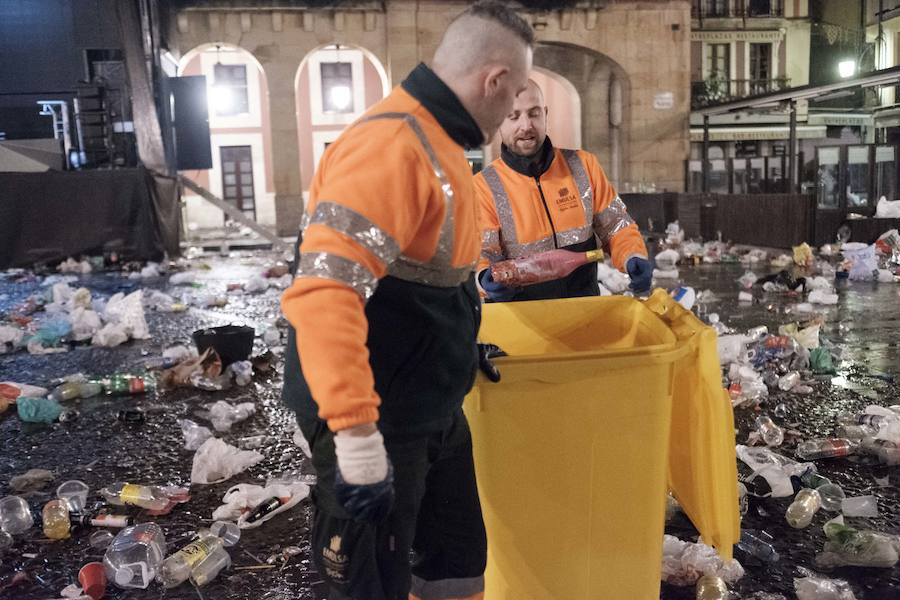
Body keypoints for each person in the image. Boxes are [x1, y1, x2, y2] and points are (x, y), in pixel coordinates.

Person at [280, 2, 534, 599]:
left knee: (454, 570)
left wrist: (457, 346)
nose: (515, 110)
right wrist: (356, 436)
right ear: (494, 81)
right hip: (381, 417)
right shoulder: (394, 145)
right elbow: (325, 294)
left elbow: (421, 278)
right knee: (372, 585)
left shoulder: (438, 143)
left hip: (428, 406)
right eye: (516, 92)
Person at [475, 79, 652, 301]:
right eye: (513, 116)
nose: (526, 125)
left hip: (584, 312)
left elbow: (616, 225)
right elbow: (480, 253)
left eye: (534, 113)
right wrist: (483, 278)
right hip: (523, 322)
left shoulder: (583, 165)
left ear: (545, 114)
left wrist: (631, 255)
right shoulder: (483, 186)